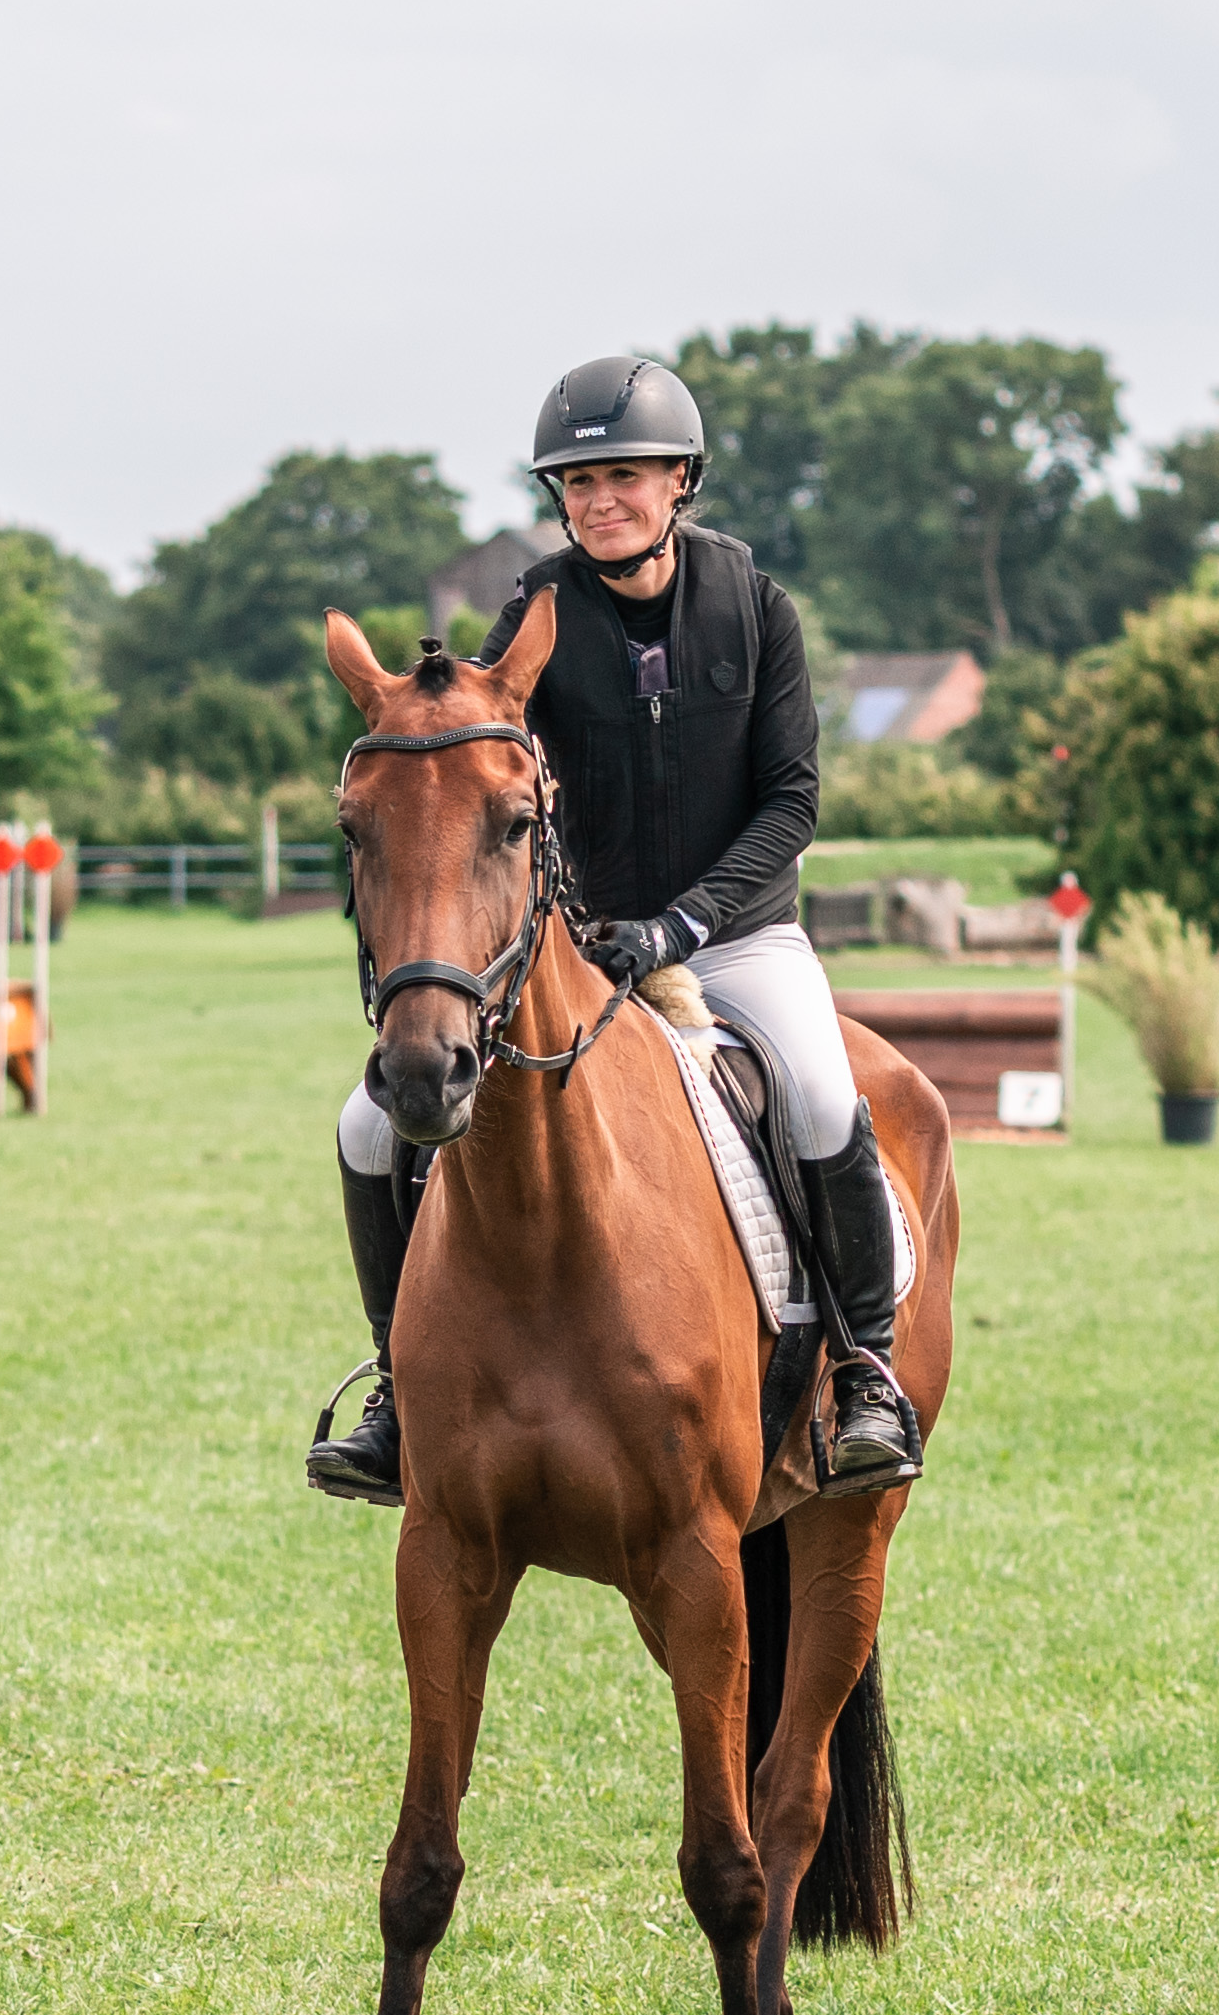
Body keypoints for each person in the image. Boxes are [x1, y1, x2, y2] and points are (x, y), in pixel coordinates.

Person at [313, 354, 913, 1503]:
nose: (599, 502)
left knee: (823, 1094)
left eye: (623, 476)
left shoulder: (754, 606)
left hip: (736, 937)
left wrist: (685, 923)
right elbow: (488, 779)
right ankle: (399, 1392)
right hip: (573, 950)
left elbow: (792, 800)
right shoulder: (534, 614)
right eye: (576, 484)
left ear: (679, 480)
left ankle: (865, 1369)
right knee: (366, 1125)